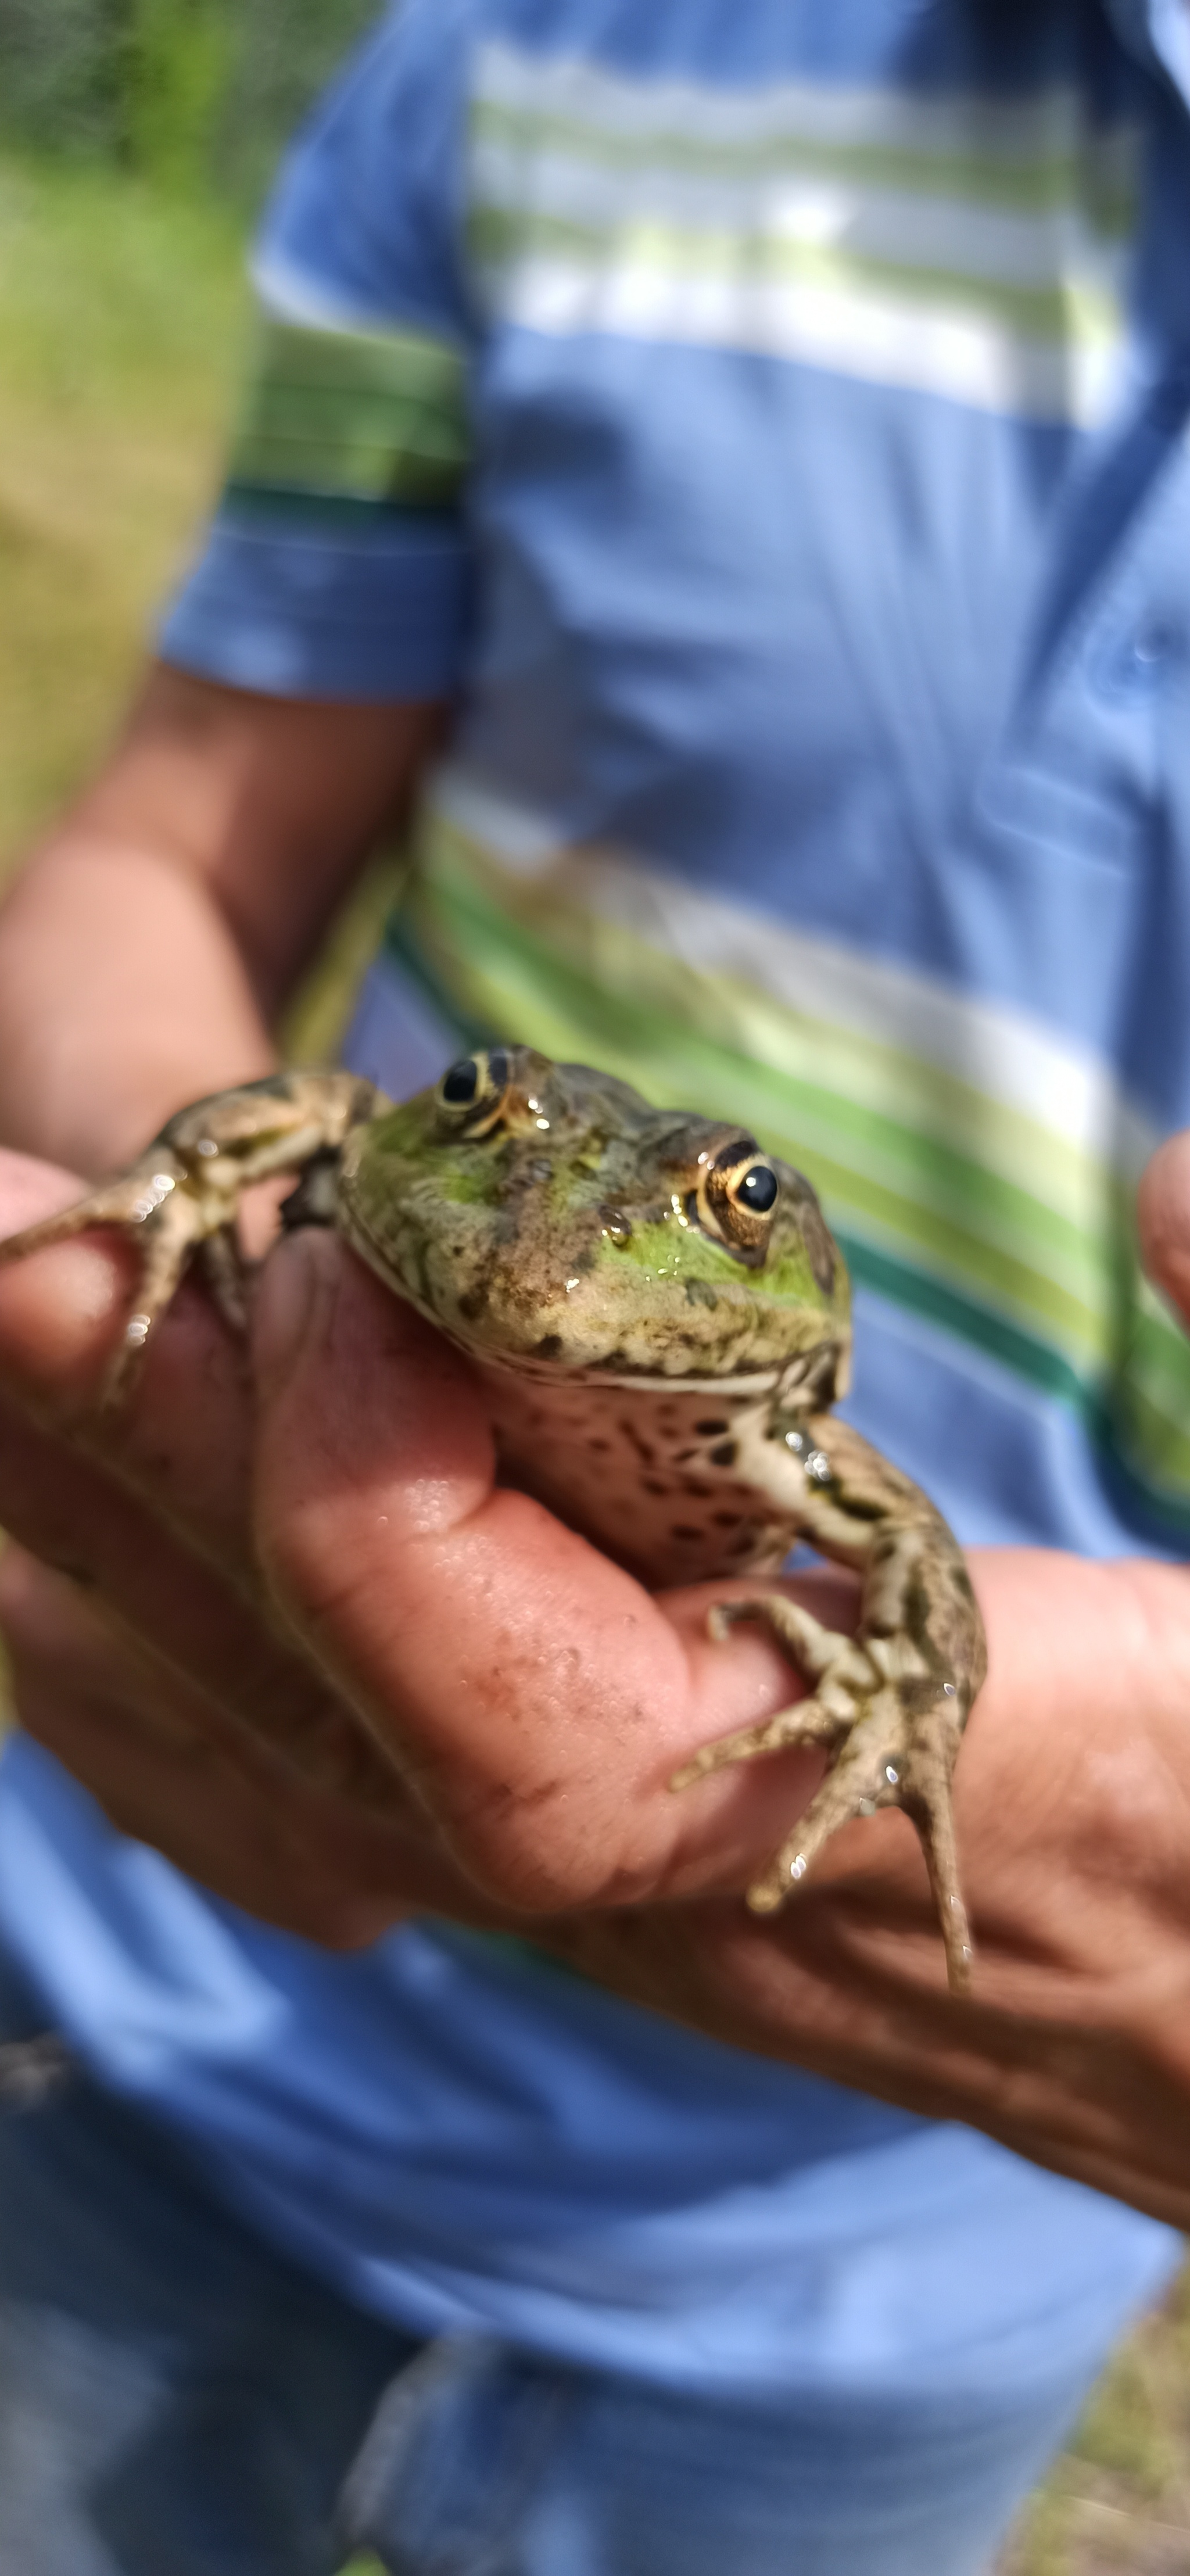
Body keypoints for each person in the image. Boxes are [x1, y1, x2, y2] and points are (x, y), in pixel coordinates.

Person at [2, 1, 1190, 2567]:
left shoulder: (805, 1464)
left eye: (706, 1208)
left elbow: (900, 1583)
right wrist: (170, 1256)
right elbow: (180, 854)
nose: (568, 1236)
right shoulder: (527, 50)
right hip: (171, 1960)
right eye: (506, 1167)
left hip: (912, 2224)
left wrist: (896, 1730)